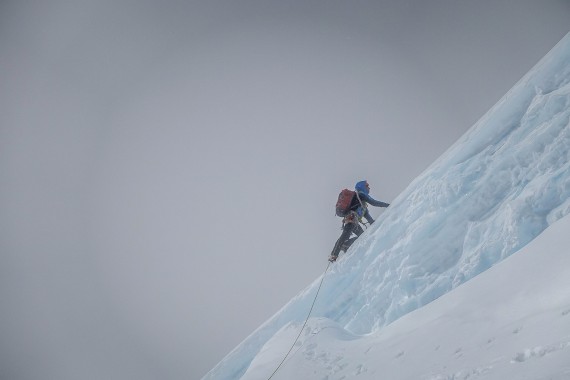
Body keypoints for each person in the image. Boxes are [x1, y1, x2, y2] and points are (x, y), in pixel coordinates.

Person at [329, 180, 390, 262]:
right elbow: (374, 203)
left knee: (361, 236)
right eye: (367, 186)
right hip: (352, 218)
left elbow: (369, 219)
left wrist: (375, 224)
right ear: (362, 186)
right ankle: (334, 254)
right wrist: (389, 206)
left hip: (351, 219)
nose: (369, 187)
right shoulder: (361, 195)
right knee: (346, 234)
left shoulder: (362, 204)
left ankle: (345, 245)